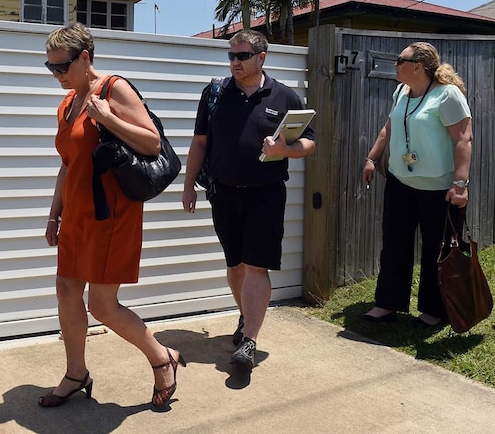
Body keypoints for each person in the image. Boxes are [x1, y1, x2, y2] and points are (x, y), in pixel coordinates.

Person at [41, 22, 185, 410]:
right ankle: (76, 373)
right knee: (67, 291)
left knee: (102, 305)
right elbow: (67, 164)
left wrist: (107, 118)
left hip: (111, 213)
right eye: (49, 67)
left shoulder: (113, 89)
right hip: (76, 214)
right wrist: (55, 214)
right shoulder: (67, 102)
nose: (55, 74)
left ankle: (161, 357)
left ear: (84, 57)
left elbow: (153, 142)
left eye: (61, 66)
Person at [181, 29, 315, 374]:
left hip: (266, 192)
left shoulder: (285, 96)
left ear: (261, 58)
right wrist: (188, 184)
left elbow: (309, 142)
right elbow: (199, 143)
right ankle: (246, 314)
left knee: (257, 265)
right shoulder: (214, 94)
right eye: (231, 56)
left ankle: (249, 340)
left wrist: (285, 149)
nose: (234, 63)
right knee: (236, 265)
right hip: (223, 192)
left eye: (242, 56)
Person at [362, 42, 472, 328]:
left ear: (418, 67)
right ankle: (387, 303)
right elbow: (388, 128)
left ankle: (434, 309)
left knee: (437, 249)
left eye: (401, 60)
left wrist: (460, 184)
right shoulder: (402, 92)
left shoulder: (447, 95)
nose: (396, 64)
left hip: (438, 188)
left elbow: (463, 139)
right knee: (394, 244)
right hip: (400, 182)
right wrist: (372, 159)